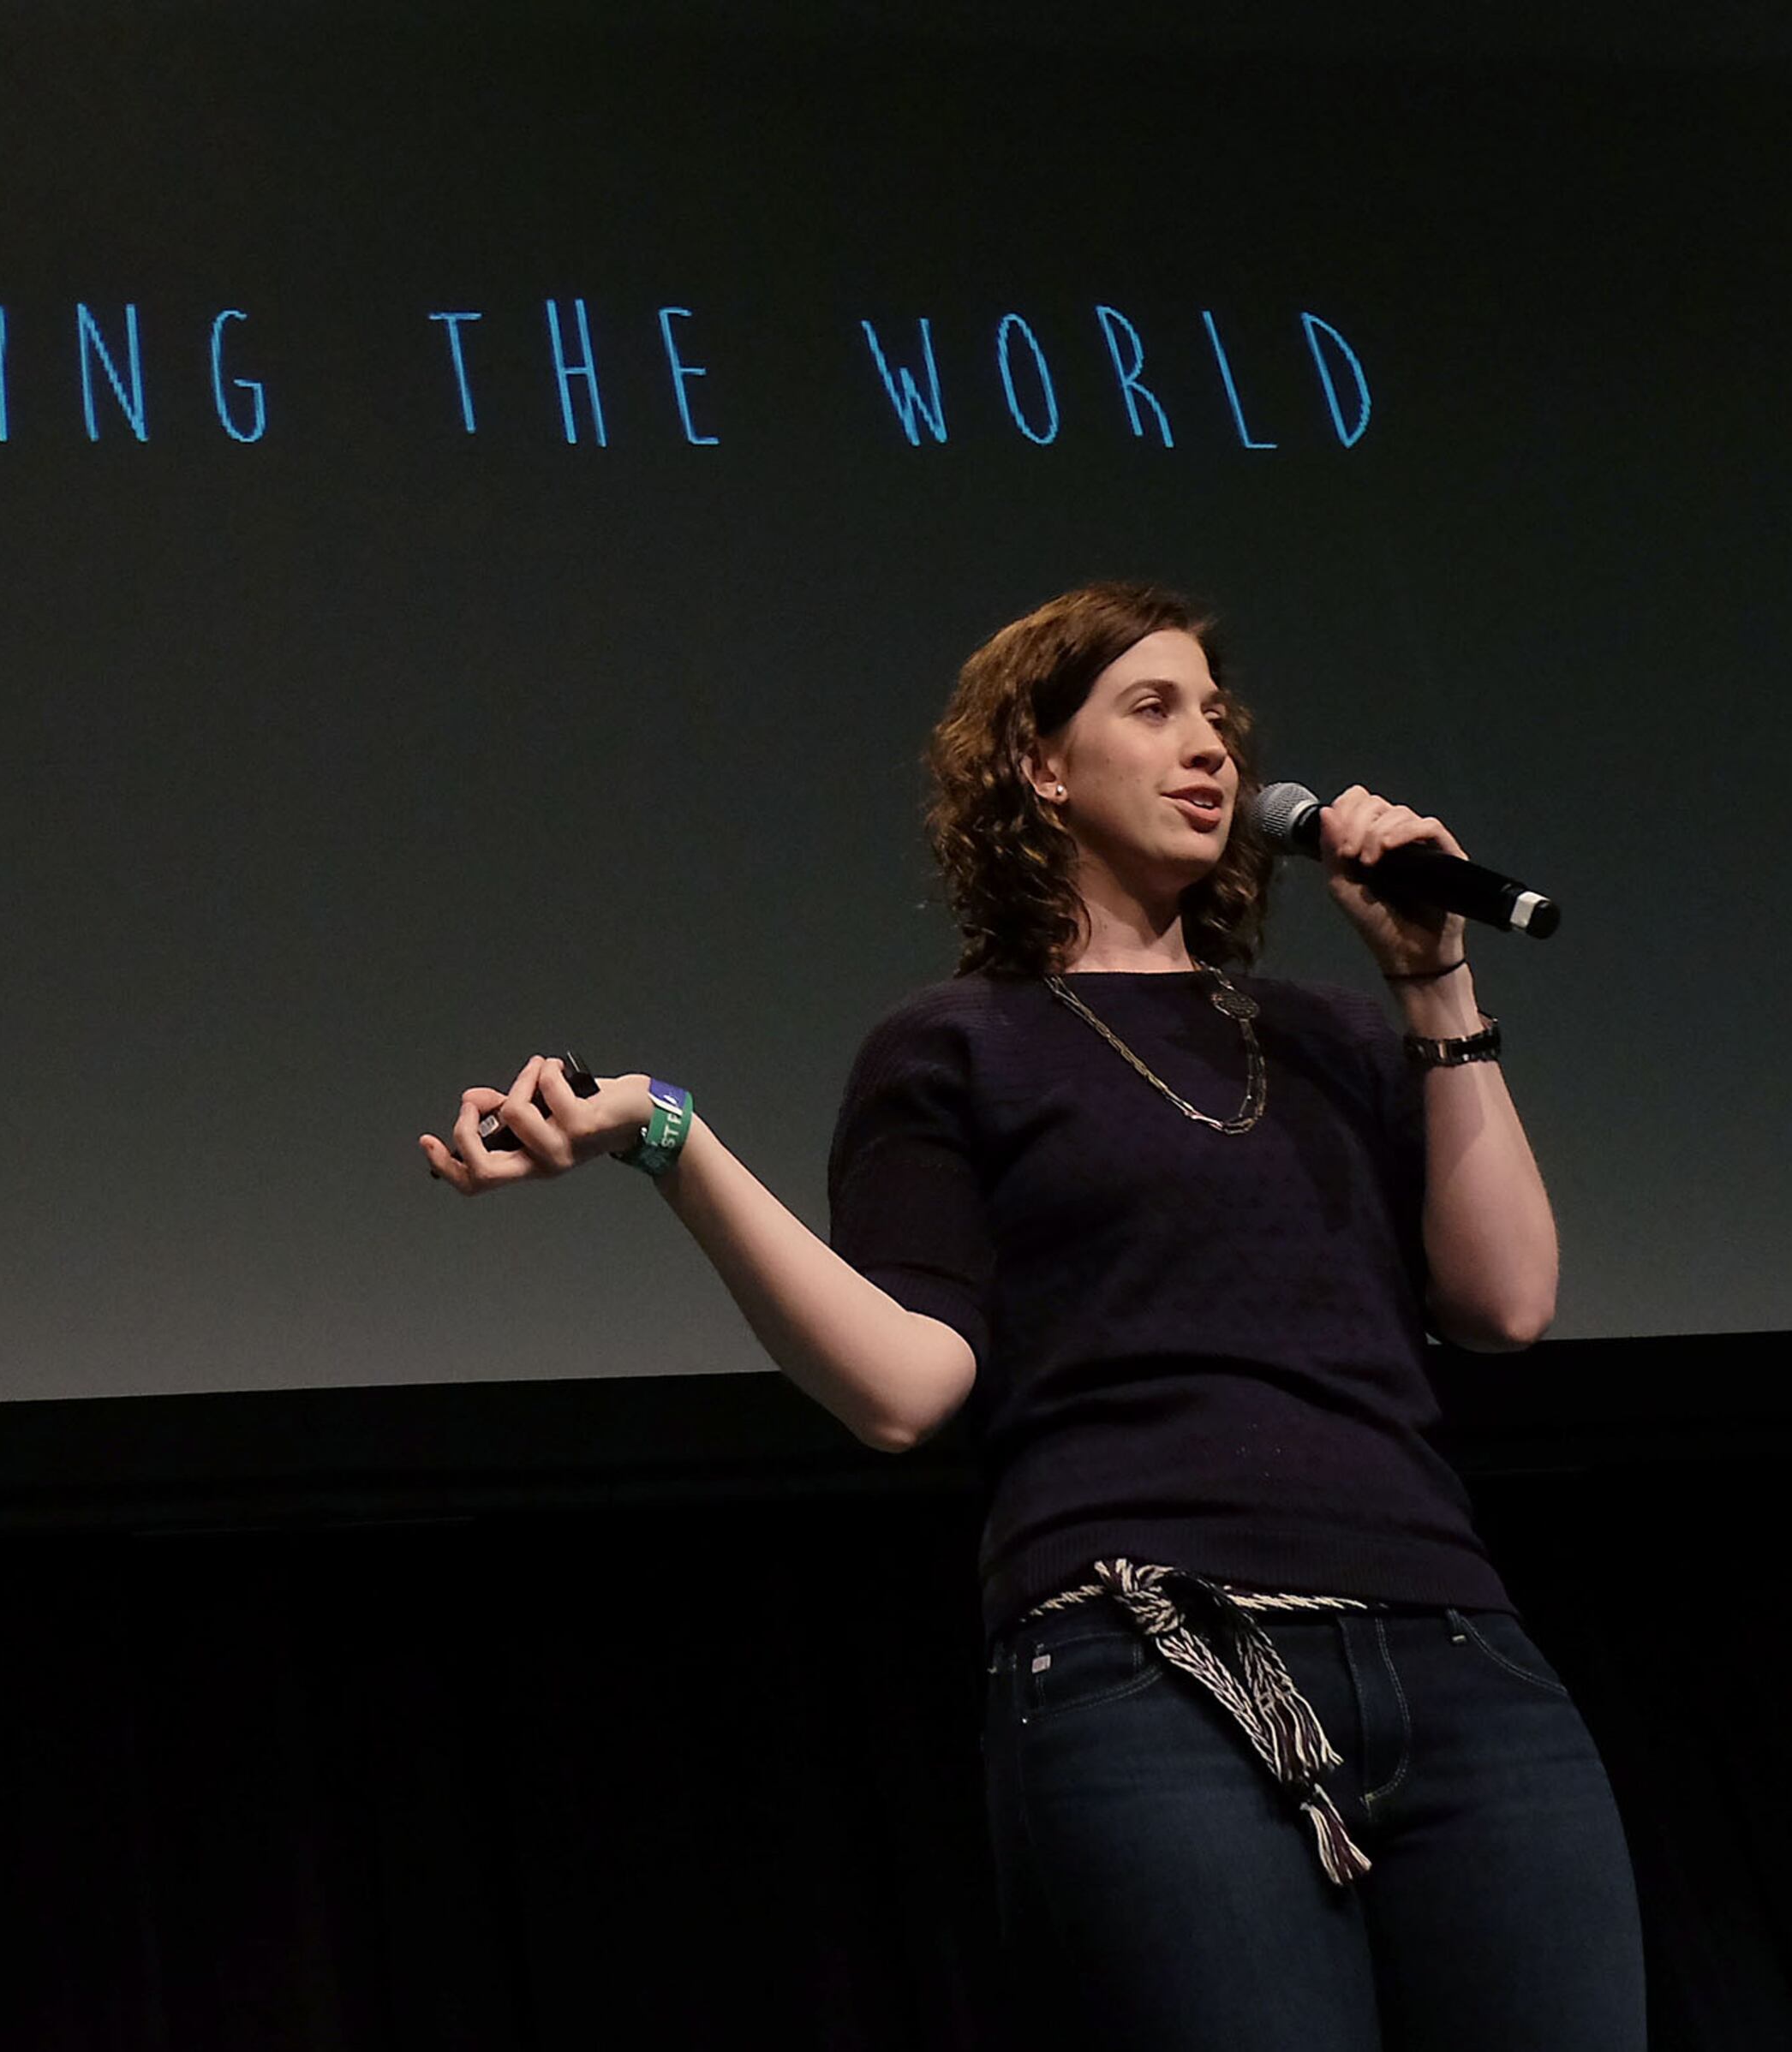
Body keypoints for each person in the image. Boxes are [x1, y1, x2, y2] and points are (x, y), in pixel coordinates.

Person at [418, 582, 1643, 2049]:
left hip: (1462, 1659)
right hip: (1153, 1676)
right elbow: (905, 1386)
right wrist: (667, 1134)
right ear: (1039, 765)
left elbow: (1507, 1302)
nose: (1211, 753)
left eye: (1217, 719)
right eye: (1154, 709)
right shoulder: (953, 1048)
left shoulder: (1326, 1038)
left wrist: (1433, 975)